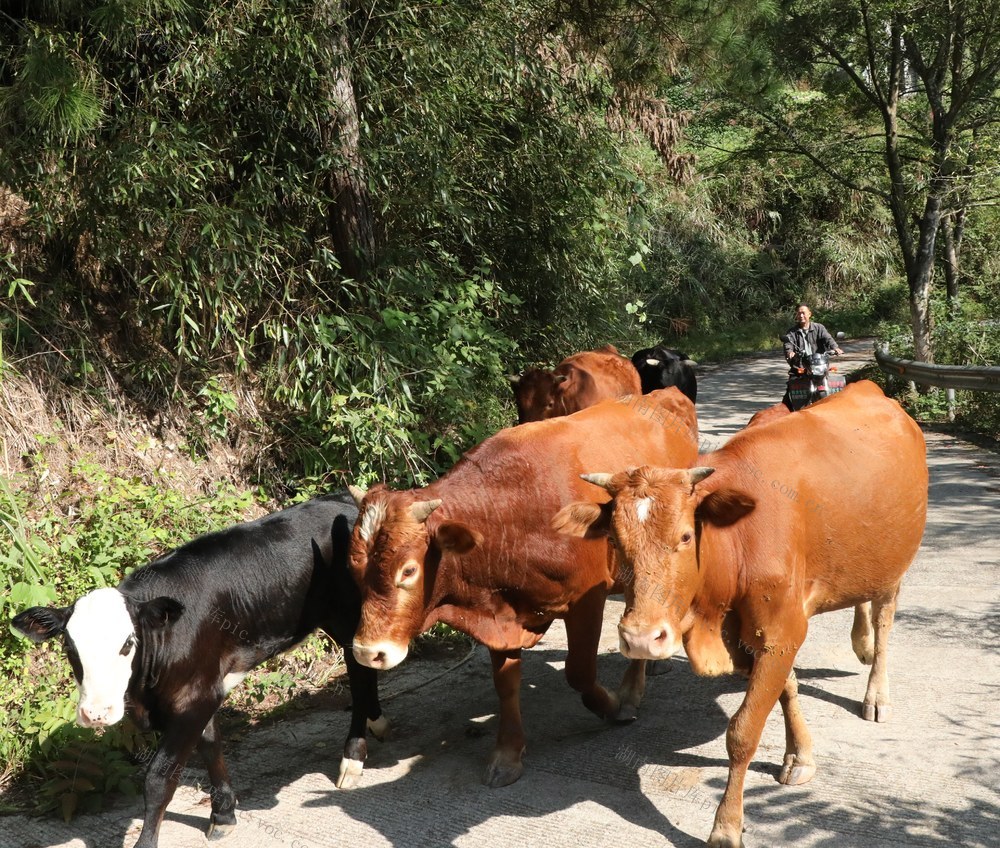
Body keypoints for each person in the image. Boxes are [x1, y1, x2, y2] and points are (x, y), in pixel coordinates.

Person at [782, 304, 843, 370]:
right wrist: (790, 352)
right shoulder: (792, 331)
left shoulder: (819, 328)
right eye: (799, 313)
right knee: (794, 376)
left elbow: (827, 338)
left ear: (809, 314)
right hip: (801, 366)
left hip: (819, 364)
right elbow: (788, 343)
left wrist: (835, 347)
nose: (801, 316)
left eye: (803, 313)